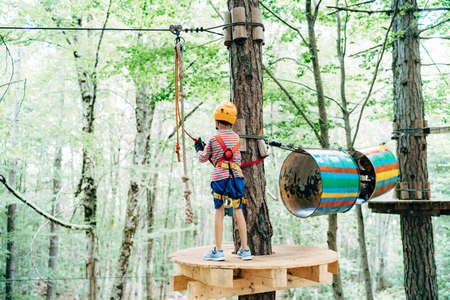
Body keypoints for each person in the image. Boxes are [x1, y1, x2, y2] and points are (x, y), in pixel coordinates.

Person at [194, 102, 252, 261]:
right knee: (238, 211)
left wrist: (199, 148)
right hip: (237, 178)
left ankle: (218, 250)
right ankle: (245, 249)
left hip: (220, 178)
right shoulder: (236, 138)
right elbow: (234, 158)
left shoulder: (214, 138)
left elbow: (203, 158)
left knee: (219, 212)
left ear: (217, 121)